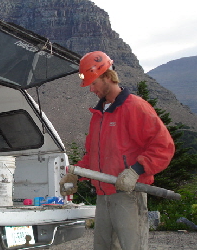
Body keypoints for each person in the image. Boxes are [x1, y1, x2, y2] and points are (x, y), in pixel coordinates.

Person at [60, 51, 175, 250]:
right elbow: (93, 156)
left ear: (107, 77)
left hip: (128, 194)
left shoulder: (135, 107)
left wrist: (135, 171)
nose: (91, 90)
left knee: (132, 247)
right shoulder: (99, 115)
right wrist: (76, 173)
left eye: (93, 83)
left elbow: (163, 146)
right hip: (104, 196)